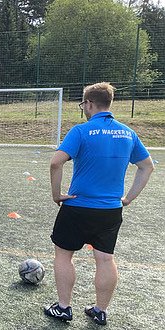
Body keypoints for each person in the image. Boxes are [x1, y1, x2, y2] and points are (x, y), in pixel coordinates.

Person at [44, 82, 154, 326]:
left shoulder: (81, 131)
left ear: (90, 104)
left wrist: (56, 194)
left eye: (83, 103)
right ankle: (100, 311)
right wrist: (128, 198)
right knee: (105, 259)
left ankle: (63, 308)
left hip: (77, 206)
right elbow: (147, 166)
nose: (83, 108)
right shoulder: (127, 133)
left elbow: (55, 163)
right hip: (110, 210)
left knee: (63, 255)